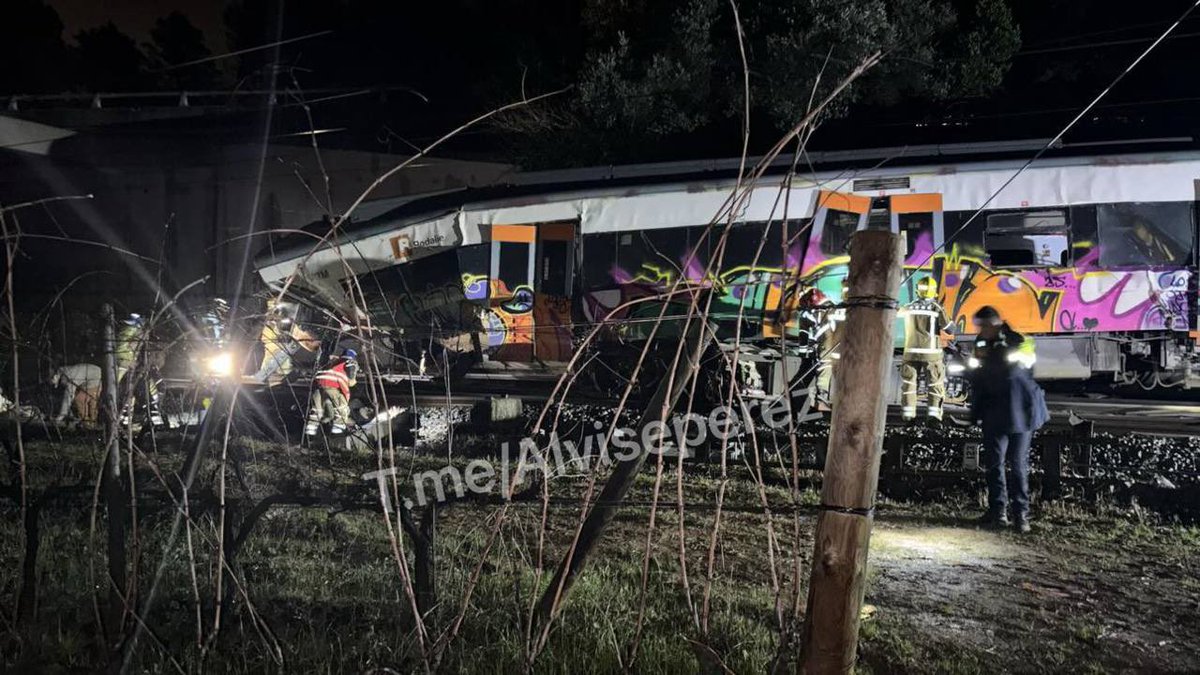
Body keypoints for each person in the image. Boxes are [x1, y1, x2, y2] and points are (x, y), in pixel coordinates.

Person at [969, 306, 1048, 533]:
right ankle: (998, 512)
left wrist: (986, 367)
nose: (980, 330)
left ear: (993, 323)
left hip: (1020, 411)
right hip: (996, 411)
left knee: (1017, 464)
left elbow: (1014, 373)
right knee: (994, 464)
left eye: (983, 326)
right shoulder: (982, 343)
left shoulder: (1018, 341)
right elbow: (978, 375)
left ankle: (1021, 516)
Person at [899, 277, 954, 422]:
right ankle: (933, 418)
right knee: (935, 384)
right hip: (931, 355)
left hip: (910, 353)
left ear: (918, 290)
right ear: (934, 291)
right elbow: (949, 329)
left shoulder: (909, 307)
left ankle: (908, 417)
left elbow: (895, 314)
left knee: (909, 385)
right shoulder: (937, 308)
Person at [305, 348, 359, 436]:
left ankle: (311, 427)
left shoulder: (332, 361)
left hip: (319, 386)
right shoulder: (349, 362)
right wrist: (353, 379)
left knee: (317, 409)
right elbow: (351, 381)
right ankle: (338, 427)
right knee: (342, 407)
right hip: (333, 386)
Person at [814, 278, 848, 408]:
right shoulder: (859, 311)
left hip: (833, 351)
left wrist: (822, 348)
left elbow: (825, 331)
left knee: (826, 370)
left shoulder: (833, 310)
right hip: (848, 354)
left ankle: (822, 397)